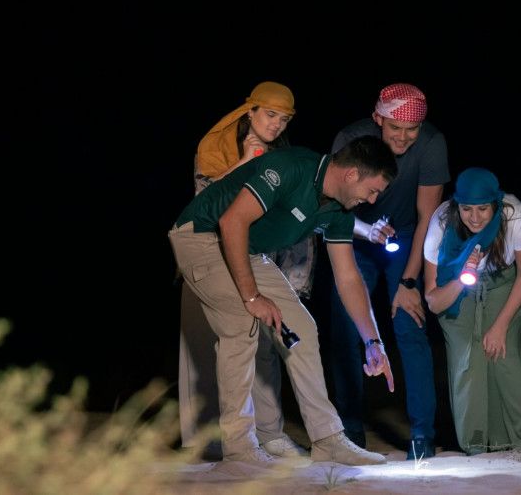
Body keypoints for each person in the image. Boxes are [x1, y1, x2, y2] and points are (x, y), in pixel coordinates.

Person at [168, 135, 398, 466]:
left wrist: (373, 341)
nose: (372, 199)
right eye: (373, 190)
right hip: (202, 236)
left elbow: (348, 278)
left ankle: (328, 438)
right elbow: (231, 221)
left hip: (245, 249)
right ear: (351, 175)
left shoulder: (339, 210)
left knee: (302, 328)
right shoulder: (289, 167)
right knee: (241, 322)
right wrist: (251, 296)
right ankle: (239, 447)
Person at [178, 81, 313, 459]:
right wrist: (245, 163)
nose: (277, 125)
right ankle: (216, 442)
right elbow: (203, 202)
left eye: (285, 119)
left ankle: (269, 433)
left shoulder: (281, 156)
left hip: (258, 255)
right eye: (271, 115)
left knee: (266, 344)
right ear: (249, 111)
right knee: (215, 346)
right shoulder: (213, 146)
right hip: (209, 251)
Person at [328, 82, 450, 459]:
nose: (403, 137)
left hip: (408, 237)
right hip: (354, 235)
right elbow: (332, 206)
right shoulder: (350, 138)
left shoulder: (431, 143)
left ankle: (422, 437)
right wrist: (365, 230)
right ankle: (349, 430)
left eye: (411, 129)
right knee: (346, 329)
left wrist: (410, 281)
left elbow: (429, 216)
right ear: (377, 117)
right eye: (394, 128)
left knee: (408, 324)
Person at [421, 167, 521, 455]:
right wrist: (463, 275)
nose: (475, 217)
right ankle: (475, 446)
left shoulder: (517, 218)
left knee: (502, 354)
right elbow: (434, 301)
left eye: (483, 209)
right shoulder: (441, 222)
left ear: (496, 204)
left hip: (505, 283)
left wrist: (500, 326)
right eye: (467, 209)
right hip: (456, 283)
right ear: (456, 206)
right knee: (466, 358)